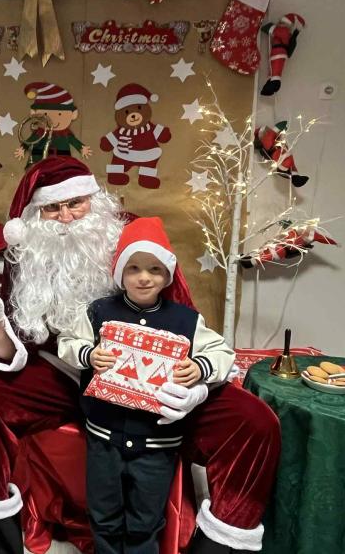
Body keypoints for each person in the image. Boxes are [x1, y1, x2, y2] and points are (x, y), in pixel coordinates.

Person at [0, 156, 280, 554]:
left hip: (149, 383)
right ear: (35, 216)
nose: (66, 217)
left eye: (76, 203)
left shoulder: (136, 242)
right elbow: (17, 349)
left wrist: (196, 388)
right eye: (52, 208)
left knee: (255, 422)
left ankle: (219, 549)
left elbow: (185, 324)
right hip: (63, 373)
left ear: (95, 200)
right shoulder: (28, 251)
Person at [57, 217, 235, 554]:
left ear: (167, 275)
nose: (144, 277)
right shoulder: (98, 311)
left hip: (157, 443)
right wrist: (89, 354)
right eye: (134, 268)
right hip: (103, 437)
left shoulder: (186, 319)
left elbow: (223, 352)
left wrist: (199, 367)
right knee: (103, 515)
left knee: (146, 520)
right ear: (120, 273)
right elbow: (67, 342)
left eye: (154, 269)